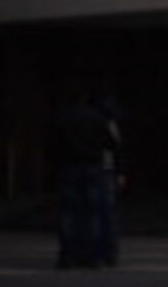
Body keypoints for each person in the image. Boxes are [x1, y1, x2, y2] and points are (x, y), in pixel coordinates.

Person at [51, 87, 120, 270]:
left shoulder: (63, 118)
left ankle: (67, 255)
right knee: (92, 214)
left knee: (68, 214)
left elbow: (54, 144)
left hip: (68, 167)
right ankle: (91, 256)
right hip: (92, 167)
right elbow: (111, 143)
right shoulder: (97, 119)